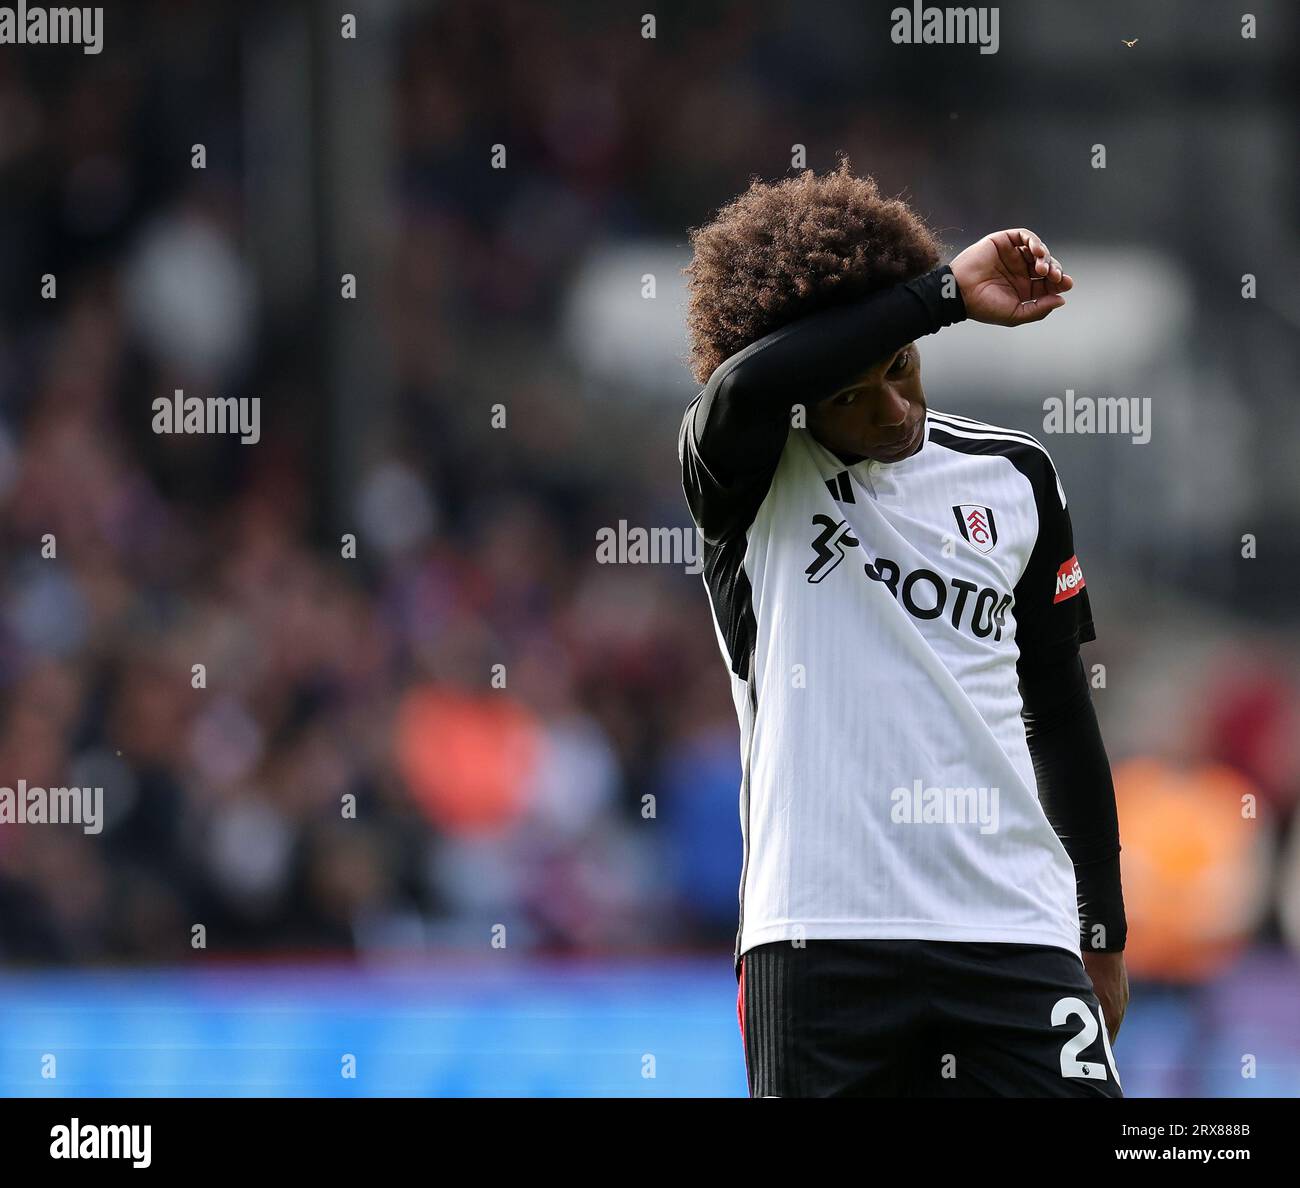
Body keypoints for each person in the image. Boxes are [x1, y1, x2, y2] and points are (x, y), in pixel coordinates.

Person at [678, 163, 1127, 1097]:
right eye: (851, 392)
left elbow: (1059, 714)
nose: (893, 409)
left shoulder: (1014, 478)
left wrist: (1100, 930)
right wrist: (940, 297)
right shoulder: (748, 480)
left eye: (902, 369)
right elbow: (740, 388)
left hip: (1011, 925)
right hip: (816, 936)